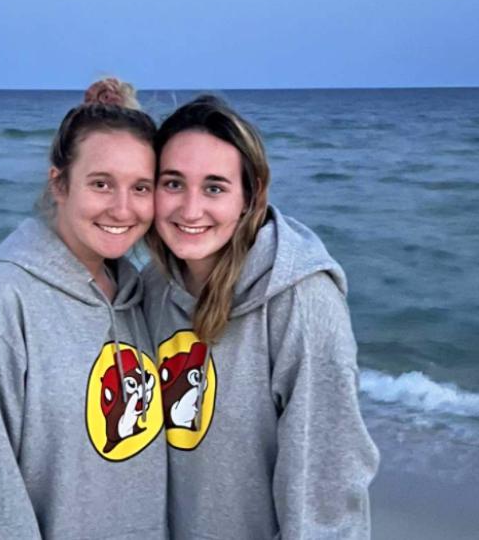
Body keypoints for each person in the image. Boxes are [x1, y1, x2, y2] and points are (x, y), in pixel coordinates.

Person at [0, 78, 167, 539]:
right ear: (60, 184)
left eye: (141, 188)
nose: (122, 208)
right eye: (101, 184)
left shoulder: (139, 299)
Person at [142, 94, 379, 539]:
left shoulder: (301, 302)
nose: (190, 210)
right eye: (173, 183)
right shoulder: (153, 289)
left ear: (249, 197)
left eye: (215, 187)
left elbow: (325, 497)